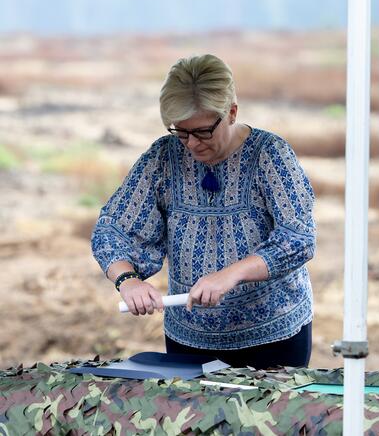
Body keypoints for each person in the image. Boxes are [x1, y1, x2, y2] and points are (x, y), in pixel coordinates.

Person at [91, 54, 316, 369]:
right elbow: (113, 229)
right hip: (189, 340)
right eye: (181, 132)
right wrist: (128, 279)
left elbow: (299, 239)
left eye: (203, 131)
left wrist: (231, 274)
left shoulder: (270, 155)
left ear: (232, 112)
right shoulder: (162, 157)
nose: (191, 144)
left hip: (273, 339)